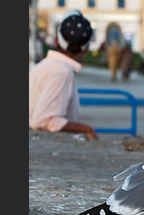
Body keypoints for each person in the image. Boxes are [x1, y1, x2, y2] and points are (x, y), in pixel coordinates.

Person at [29, 10, 98, 141]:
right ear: (86, 48)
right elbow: (43, 120)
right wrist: (86, 129)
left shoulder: (50, 65)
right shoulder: (61, 72)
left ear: (56, 41)